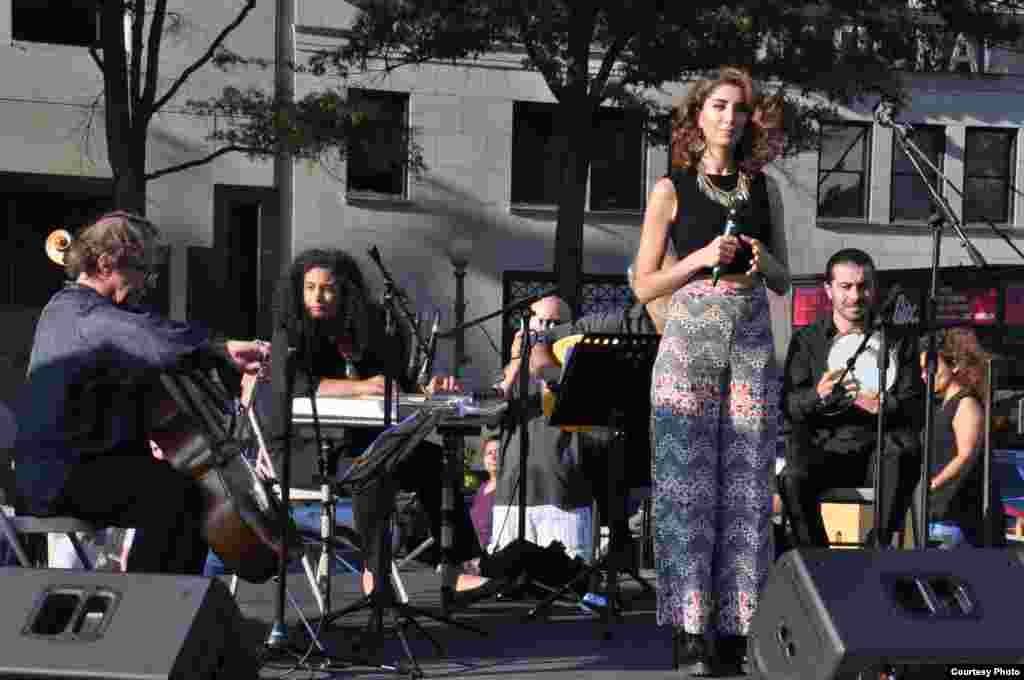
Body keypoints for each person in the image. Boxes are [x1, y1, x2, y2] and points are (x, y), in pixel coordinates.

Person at [631, 66, 789, 675]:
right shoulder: (670, 188)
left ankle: (740, 623)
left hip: (750, 337)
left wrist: (760, 254)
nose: (730, 118)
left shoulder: (763, 188)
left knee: (748, 486)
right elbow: (642, 282)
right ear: (698, 117)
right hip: (689, 337)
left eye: (740, 109)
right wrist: (698, 258)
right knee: (686, 486)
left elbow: (782, 278)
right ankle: (690, 628)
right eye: (719, 107)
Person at [13, 211, 267, 575]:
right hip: (60, 479)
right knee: (181, 498)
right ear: (104, 264)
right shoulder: (79, 313)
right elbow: (147, 338)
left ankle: (158, 603)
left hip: (72, 471)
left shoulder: (82, 314)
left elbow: (141, 342)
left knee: (172, 491)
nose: (147, 284)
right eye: (141, 271)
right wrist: (218, 348)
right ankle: (152, 607)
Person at [262, 248, 492, 599]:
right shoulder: (289, 335)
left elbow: (393, 383)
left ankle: (457, 569)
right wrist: (362, 387)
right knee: (372, 469)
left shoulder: (368, 331)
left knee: (432, 462)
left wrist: (426, 389)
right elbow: (298, 386)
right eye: (309, 287)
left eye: (327, 288)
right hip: (303, 450)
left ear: (347, 292)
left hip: (359, 444)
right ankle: (375, 575)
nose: (317, 297)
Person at [779, 248, 923, 552]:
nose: (855, 296)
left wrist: (883, 405)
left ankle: (876, 550)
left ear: (874, 289)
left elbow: (915, 406)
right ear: (828, 290)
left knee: (905, 449)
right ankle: (818, 562)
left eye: (863, 286)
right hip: (825, 450)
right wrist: (816, 396)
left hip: (877, 453)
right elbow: (789, 406)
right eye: (846, 287)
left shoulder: (897, 340)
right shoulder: (807, 340)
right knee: (791, 477)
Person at [489, 295, 594, 561]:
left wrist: (544, 361)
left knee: (569, 578)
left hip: (563, 494)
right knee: (508, 583)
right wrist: (516, 360)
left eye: (556, 323)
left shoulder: (578, 368)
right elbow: (491, 411)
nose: (546, 330)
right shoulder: (511, 370)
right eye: (541, 322)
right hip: (513, 493)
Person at [919, 327, 1005, 547]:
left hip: (961, 520)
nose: (924, 376)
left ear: (955, 365)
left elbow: (966, 455)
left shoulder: (966, 403)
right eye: (921, 370)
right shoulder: (942, 406)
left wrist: (931, 485)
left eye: (931, 368)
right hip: (940, 514)